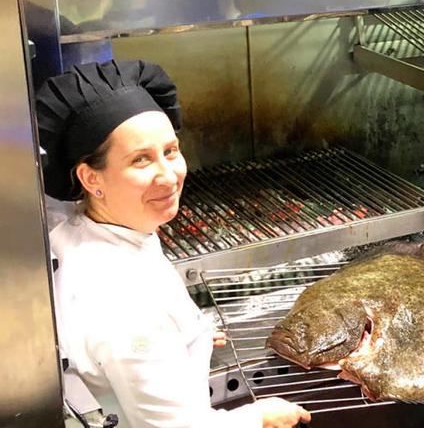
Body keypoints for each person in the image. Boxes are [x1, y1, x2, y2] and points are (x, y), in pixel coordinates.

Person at [36, 59, 311, 428]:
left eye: (171, 151)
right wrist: (259, 415)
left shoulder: (90, 227)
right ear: (90, 177)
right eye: (140, 160)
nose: (168, 175)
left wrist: (186, 334)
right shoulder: (125, 306)